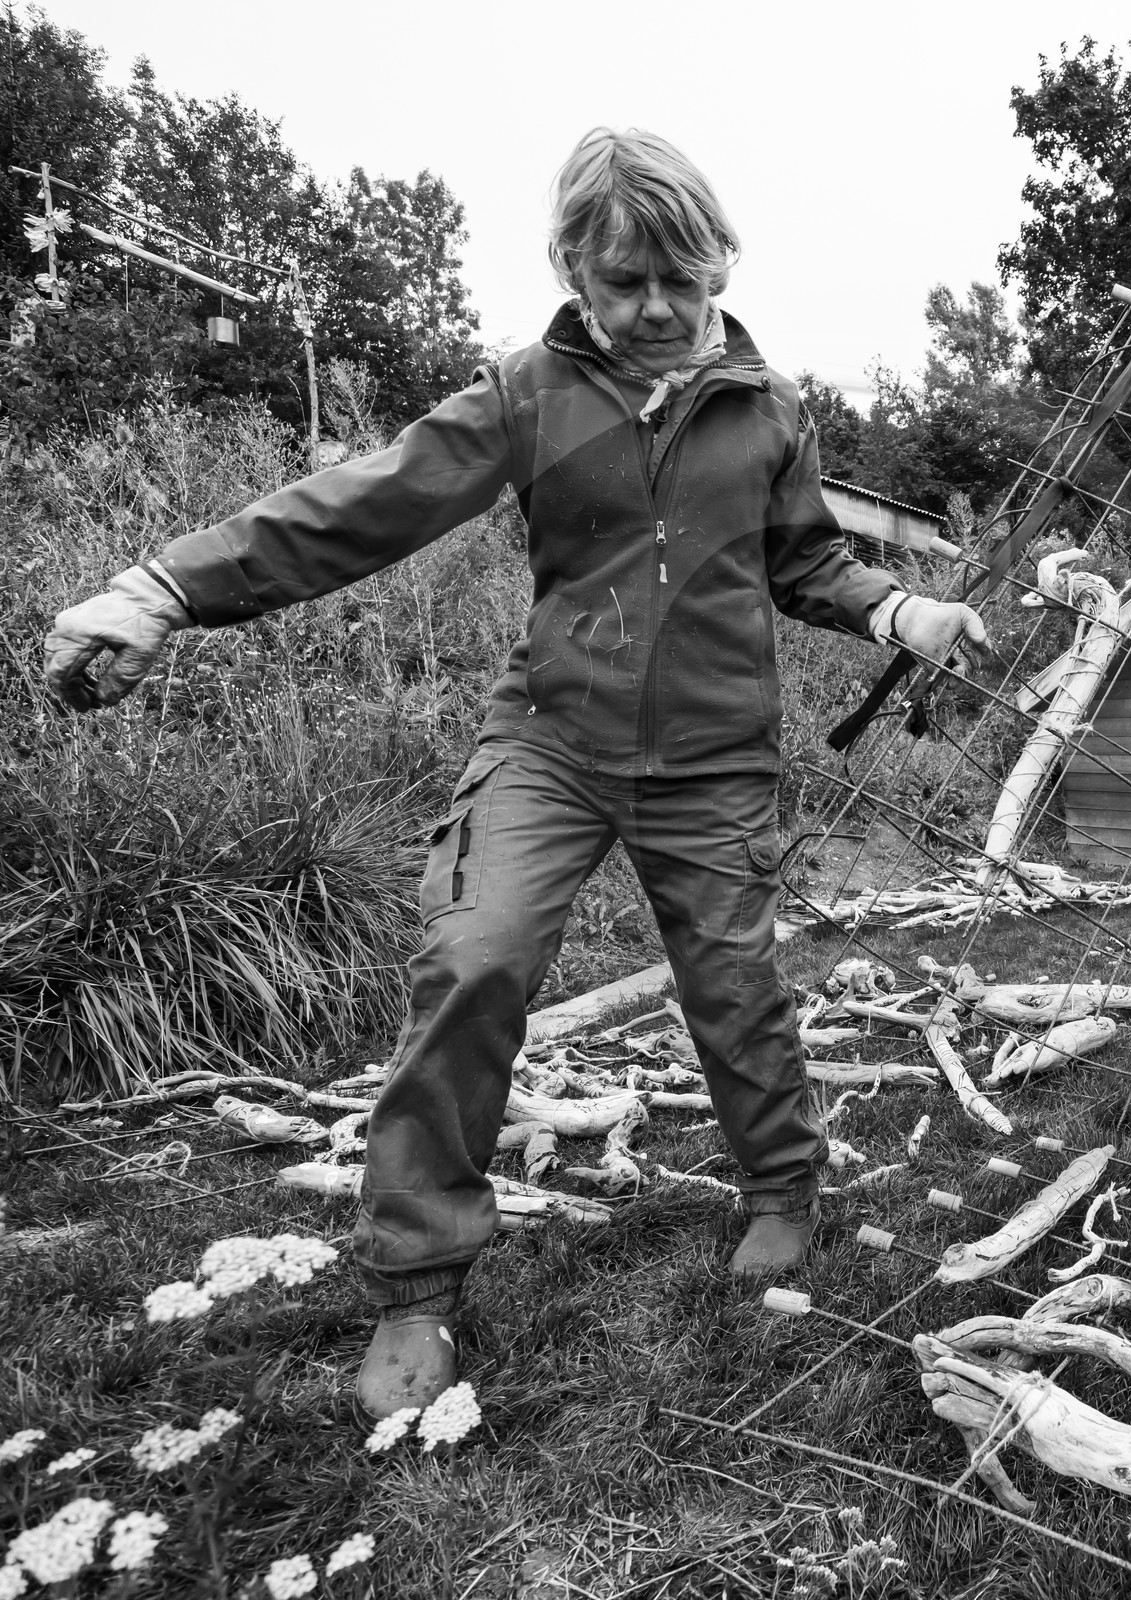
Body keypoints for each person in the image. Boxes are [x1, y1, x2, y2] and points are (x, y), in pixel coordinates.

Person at [43, 128, 986, 1416]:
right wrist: (164, 586)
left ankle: (778, 1185)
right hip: (549, 740)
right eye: (622, 285)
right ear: (573, 274)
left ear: (718, 265)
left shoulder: (768, 409)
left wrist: (899, 614)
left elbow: (807, 559)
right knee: (471, 960)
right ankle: (417, 1282)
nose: (654, 310)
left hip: (712, 761)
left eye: (680, 281)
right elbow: (363, 501)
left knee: (735, 982)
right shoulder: (527, 393)